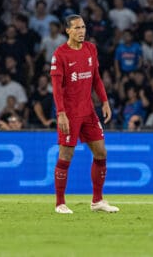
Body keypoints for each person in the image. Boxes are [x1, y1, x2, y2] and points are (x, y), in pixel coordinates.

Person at [50, 14, 119, 214]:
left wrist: (104, 101)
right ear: (68, 31)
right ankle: (60, 203)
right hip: (70, 114)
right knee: (66, 155)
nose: (82, 31)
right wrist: (61, 113)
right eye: (77, 28)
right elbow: (56, 87)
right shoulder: (60, 54)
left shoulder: (90, 49)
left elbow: (96, 78)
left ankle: (97, 201)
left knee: (101, 152)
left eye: (83, 27)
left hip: (89, 111)